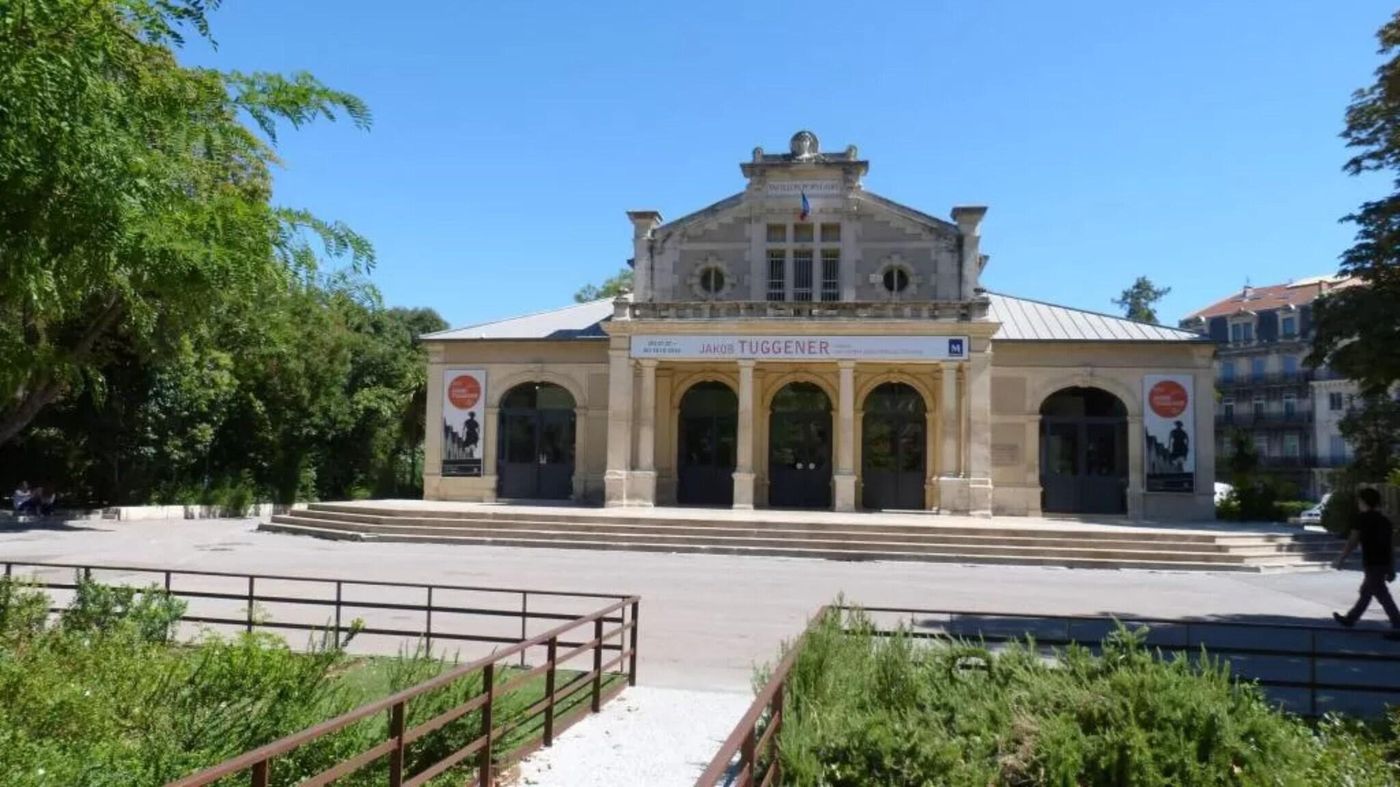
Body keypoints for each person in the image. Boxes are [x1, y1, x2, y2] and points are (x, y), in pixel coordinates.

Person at [1332, 488, 1400, 635]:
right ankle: (1351, 619)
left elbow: (1352, 541)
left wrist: (1341, 559)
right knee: (1366, 592)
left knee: (1381, 594)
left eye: (1359, 500)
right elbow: (1390, 546)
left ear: (1363, 501)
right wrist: (1391, 567)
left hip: (1372, 562)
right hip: (1382, 562)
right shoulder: (1384, 521)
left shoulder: (1361, 519)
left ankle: (1398, 623)